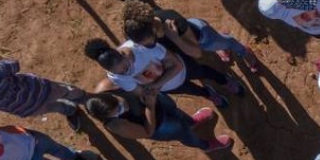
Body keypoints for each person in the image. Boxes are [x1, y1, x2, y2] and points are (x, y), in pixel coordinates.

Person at [84, 38, 236, 107]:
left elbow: (176, 65)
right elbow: (140, 92)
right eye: (121, 73)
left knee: (204, 72)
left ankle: (224, 80)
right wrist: (154, 88)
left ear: (122, 54)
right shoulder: (115, 75)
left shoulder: (140, 46)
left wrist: (156, 85)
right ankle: (208, 93)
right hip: (171, 87)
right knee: (194, 91)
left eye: (125, 68)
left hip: (184, 68)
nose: (126, 73)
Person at [122, 1, 260, 72]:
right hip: (193, 41)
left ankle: (243, 51)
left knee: (224, 42)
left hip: (203, 36)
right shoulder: (141, 31)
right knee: (217, 45)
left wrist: (175, 38)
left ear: (152, 27)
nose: (144, 45)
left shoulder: (173, 22)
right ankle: (220, 45)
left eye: (146, 42)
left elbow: (197, 52)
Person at [85, 89, 233, 153]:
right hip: (160, 126)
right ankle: (205, 145)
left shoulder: (109, 87)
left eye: (118, 103)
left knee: (181, 117)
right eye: (116, 111)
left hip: (160, 104)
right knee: (184, 133)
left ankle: (192, 122)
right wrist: (149, 106)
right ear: (107, 117)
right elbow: (147, 132)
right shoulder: (116, 125)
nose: (122, 107)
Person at [0, 58, 88, 130]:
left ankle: (83, 97)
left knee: (64, 91)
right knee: (52, 107)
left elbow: (13, 65)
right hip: (25, 108)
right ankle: (70, 110)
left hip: (39, 88)